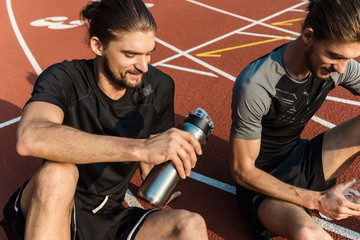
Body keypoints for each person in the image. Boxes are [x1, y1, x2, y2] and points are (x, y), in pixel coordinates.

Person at [2, 0, 209, 239]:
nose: (143, 66)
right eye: (130, 54)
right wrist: (140, 148)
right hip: (53, 203)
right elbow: (31, 137)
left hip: (107, 213)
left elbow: (150, 164)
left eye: (149, 52)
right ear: (98, 46)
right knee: (58, 174)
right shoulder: (64, 78)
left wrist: (165, 174)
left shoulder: (160, 86)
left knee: (190, 225)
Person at [230, 0, 360, 239]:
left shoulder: (338, 67)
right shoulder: (257, 84)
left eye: (349, 58)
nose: (342, 69)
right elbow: (241, 171)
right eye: (335, 56)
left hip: (301, 158)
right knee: (308, 235)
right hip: (264, 184)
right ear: (308, 36)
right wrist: (318, 200)